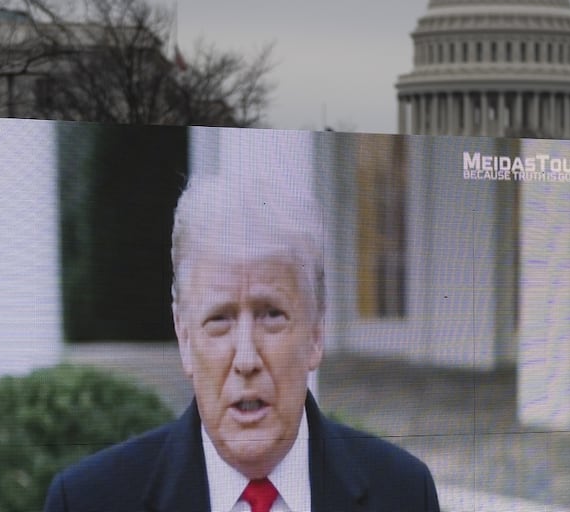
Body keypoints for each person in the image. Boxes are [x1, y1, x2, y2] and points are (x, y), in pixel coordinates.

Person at [44, 174, 439, 512]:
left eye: (271, 315)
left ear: (316, 332)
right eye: (220, 319)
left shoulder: (403, 492)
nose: (246, 359)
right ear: (184, 337)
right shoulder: (87, 500)